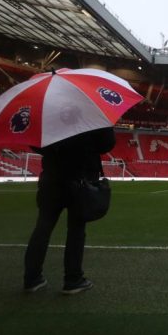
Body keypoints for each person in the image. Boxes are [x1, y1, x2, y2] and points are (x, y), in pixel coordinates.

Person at [23, 126, 116, 295]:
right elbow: (107, 144)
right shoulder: (90, 115)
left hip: (51, 178)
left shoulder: (49, 115)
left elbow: (35, 144)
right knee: (76, 230)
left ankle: (31, 278)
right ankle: (73, 279)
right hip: (81, 179)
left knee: (43, 227)